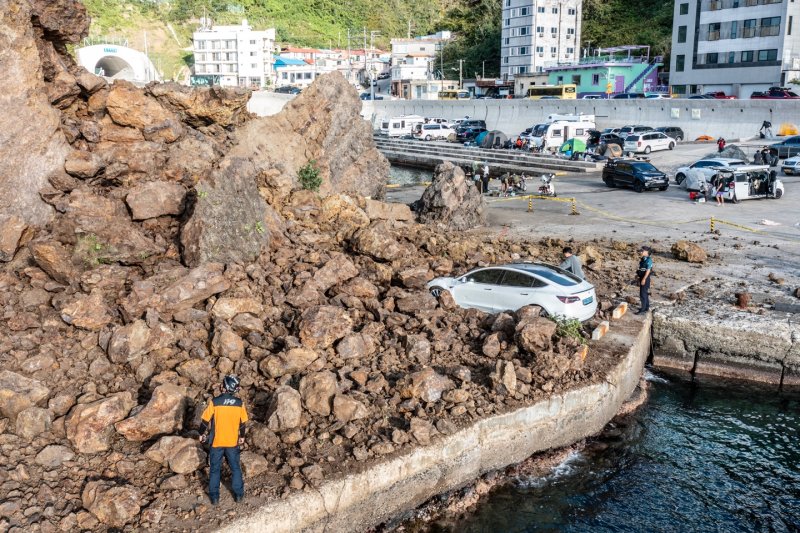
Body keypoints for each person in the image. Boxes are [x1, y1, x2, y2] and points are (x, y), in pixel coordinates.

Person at [200, 375, 248, 505]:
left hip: (217, 442)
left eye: (222, 384)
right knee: (235, 468)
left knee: (215, 469)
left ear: (225, 387)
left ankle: (214, 497)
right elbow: (243, 423)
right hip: (232, 443)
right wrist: (242, 437)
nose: (220, 386)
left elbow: (205, 421)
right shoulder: (239, 404)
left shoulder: (215, 402)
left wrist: (201, 434)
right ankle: (238, 495)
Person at [635, 246, 653, 314]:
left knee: (643, 294)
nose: (641, 252)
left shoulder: (649, 260)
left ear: (646, 252)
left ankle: (642, 310)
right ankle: (646, 307)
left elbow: (648, 271)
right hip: (641, 277)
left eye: (642, 251)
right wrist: (637, 275)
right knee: (645, 293)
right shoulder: (643, 259)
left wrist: (644, 279)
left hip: (645, 278)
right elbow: (641, 268)